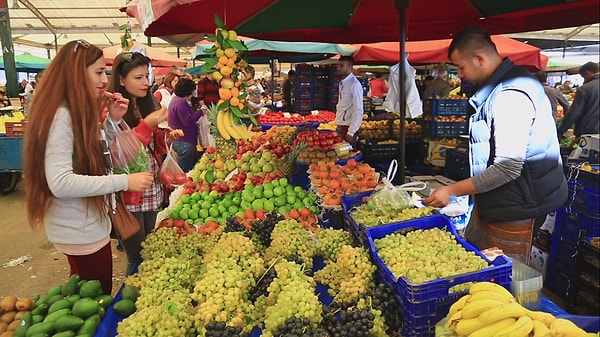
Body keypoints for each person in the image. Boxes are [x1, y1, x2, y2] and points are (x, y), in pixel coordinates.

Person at [423, 28, 568, 264]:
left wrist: (451, 190)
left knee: (503, 280)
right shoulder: (499, 88)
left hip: (518, 206)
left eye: (461, 67)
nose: (460, 75)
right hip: (500, 200)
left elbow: (508, 168)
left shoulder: (510, 95)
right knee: (480, 262)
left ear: (479, 58)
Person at [23, 40, 154, 295]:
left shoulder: (74, 111)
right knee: (96, 296)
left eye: (104, 72)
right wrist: (125, 181)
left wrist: (112, 121)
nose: (105, 80)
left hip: (86, 224)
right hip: (79, 228)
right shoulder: (62, 117)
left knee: (88, 291)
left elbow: (89, 151)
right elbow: (61, 182)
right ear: (75, 73)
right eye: (98, 72)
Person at [107, 51, 173, 274]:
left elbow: (150, 148)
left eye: (147, 76)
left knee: (147, 248)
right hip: (128, 192)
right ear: (122, 79)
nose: (146, 82)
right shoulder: (112, 110)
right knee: (135, 258)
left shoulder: (147, 104)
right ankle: (130, 301)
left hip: (152, 186)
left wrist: (165, 139)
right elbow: (119, 154)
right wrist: (147, 124)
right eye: (138, 77)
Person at [168, 77, 204, 171]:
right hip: (185, 142)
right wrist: (200, 112)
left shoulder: (175, 100)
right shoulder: (180, 102)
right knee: (185, 172)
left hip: (182, 142)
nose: (192, 95)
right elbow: (188, 121)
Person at [556, 62, 599, 138]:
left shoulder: (585, 89)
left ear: (587, 73)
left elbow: (574, 113)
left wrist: (560, 131)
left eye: (583, 77)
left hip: (587, 132)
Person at [335, 56, 363, 146]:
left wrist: (351, 131)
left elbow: (358, 109)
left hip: (348, 127)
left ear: (350, 68)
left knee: (348, 157)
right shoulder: (342, 83)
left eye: (341, 66)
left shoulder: (354, 85)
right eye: (338, 65)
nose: (338, 68)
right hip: (341, 125)